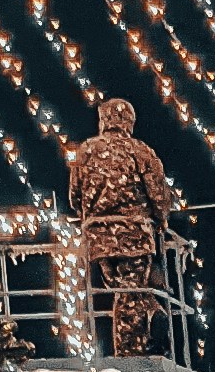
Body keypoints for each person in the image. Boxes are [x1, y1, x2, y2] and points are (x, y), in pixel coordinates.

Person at [66, 94, 172, 357]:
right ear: (129, 122)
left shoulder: (85, 151)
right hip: (134, 235)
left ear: (103, 120)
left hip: (97, 237)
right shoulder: (140, 151)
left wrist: (91, 217)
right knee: (130, 293)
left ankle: (151, 315)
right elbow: (158, 195)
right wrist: (161, 221)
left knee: (122, 288)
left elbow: (74, 196)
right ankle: (131, 351)